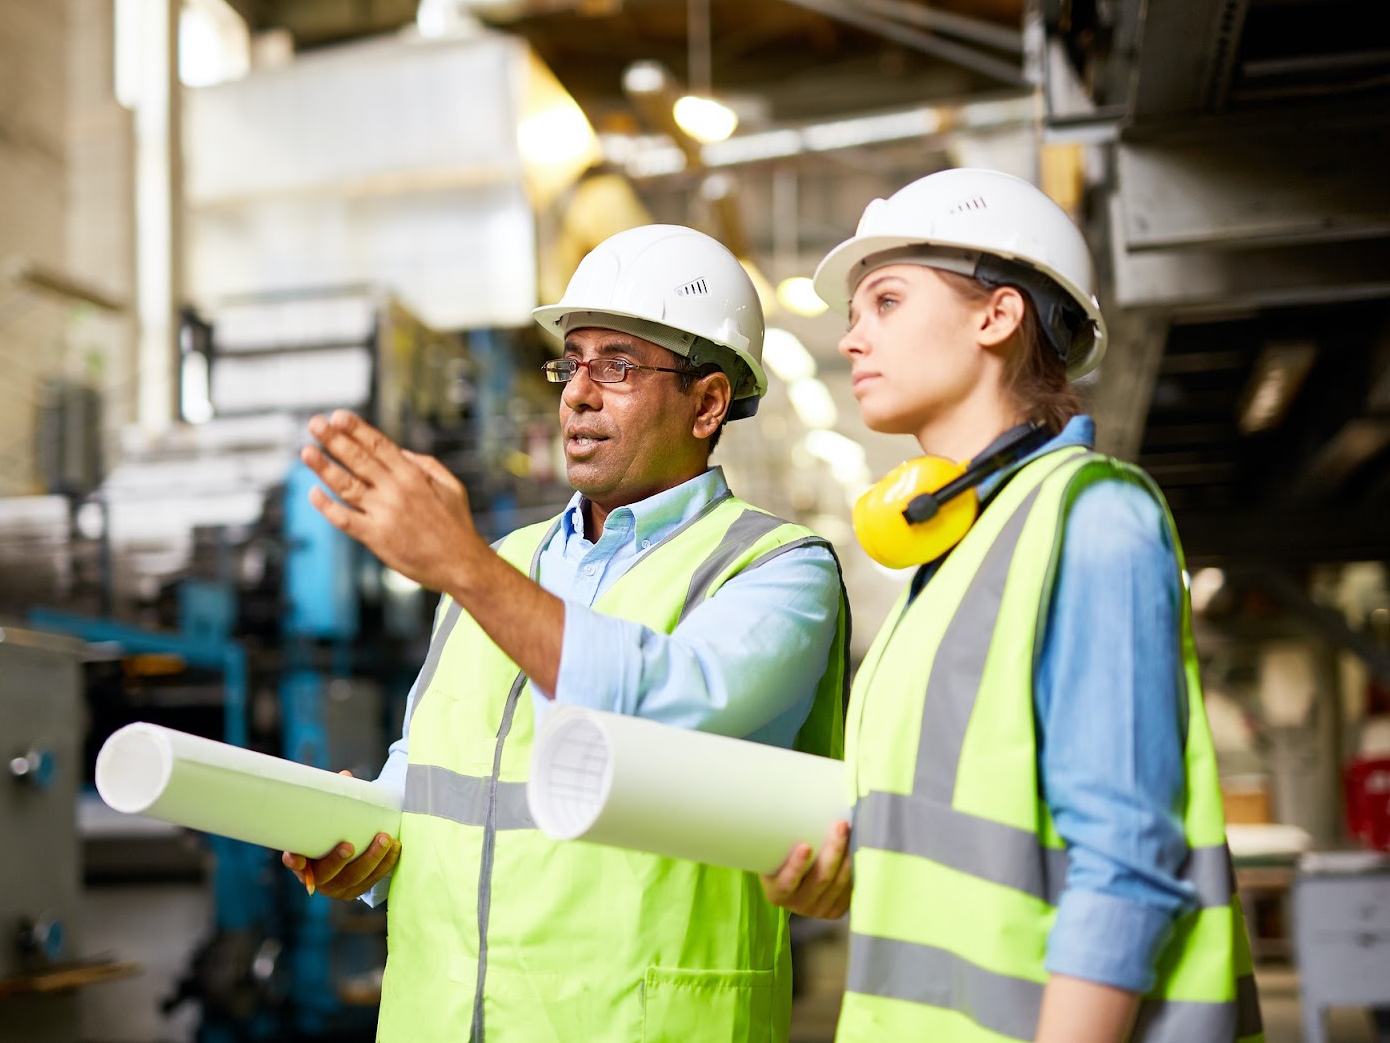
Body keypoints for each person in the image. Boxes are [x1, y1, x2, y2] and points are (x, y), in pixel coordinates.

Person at [283, 224, 850, 1041]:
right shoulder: (506, 561)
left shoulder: (774, 571)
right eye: (572, 362)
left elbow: (655, 713)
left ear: (710, 402)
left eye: (617, 366)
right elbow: (435, 765)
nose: (578, 393)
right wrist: (359, 833)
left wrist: (463, 564)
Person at [762, 168, 1262, 1043]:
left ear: (997, 316)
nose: (851, 339)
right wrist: (848, 877)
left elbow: (1125, 868)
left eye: (884, 302)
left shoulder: (1093, 517)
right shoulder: (951, 558)